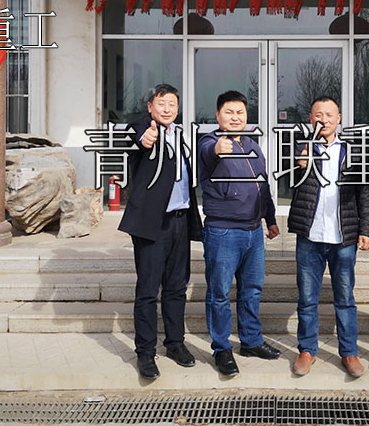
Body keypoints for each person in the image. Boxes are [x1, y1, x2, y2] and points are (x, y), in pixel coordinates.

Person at [118, 84, 203, 381]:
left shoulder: (180, 135)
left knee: (177, 287)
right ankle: (145, 352)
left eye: (172, 104)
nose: (167, 109)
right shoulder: (142, 129)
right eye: (161, 103)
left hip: (180, 221)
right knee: (147, 290)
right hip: (152, 224)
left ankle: (175, 343)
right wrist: (145, 138)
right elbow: (135, 137)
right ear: (150, 107)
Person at [286, 97, 369, 378]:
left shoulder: (353, 151)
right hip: (309, 235)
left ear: (339, 119)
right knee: (307, 298)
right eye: (318, 115)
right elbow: (285, 181)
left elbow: (364, 193)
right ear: (310, 118)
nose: (323, 119)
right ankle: (307, 350)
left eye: (329, 114)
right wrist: (298, 163)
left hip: (343, 236)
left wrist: (366, 229)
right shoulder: (299, 147)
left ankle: (349, 352)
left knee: (345, 298)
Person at [198, 90, 281, 376]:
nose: (235, 117)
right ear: (218, 115)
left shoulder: (253, 146)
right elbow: (209, 152)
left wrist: (270, 218)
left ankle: (251, 341)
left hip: (254, 233)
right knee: (219, 293)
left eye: (240, 112)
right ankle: (222, 349)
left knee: (252, 290)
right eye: (229, 112)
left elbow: (263, 185)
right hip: (223, 232)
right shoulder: (209, 141)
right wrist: (218, 148)